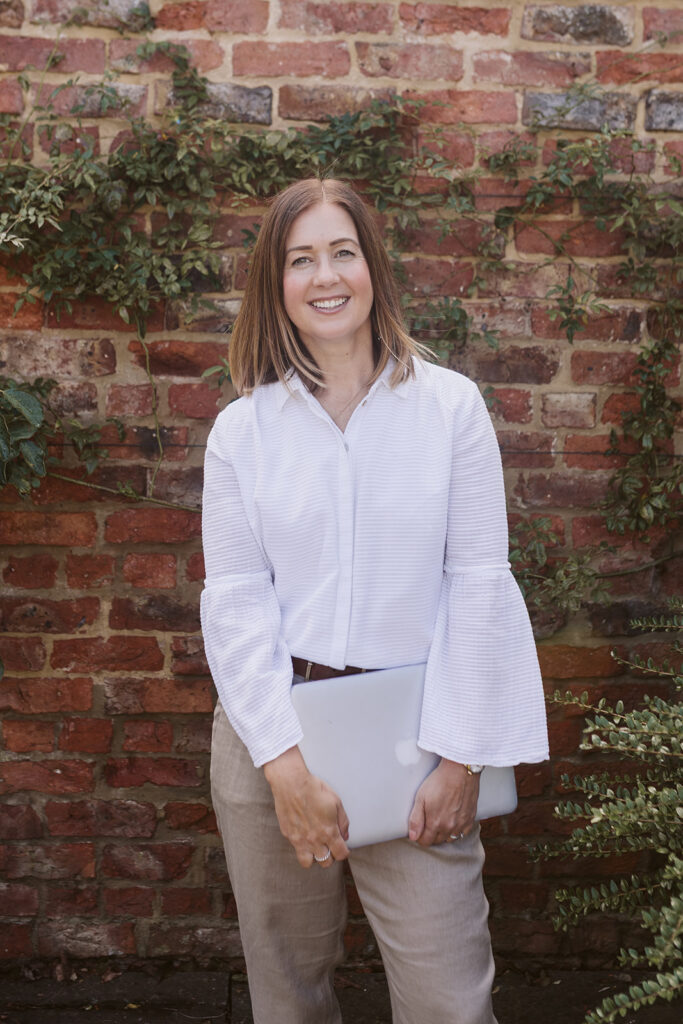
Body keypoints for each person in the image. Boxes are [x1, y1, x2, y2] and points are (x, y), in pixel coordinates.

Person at [200, 177, 548, 1024]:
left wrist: (460, 760)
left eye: (342, 252)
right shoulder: (243, 432)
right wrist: (283, 766)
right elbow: (236, 602)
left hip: (417, 739)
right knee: (287, 995)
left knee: (447, 1003)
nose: (325, 276)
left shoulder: (449, 409)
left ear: (373, 268)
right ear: (276, 283)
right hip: (271, 735)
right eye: (301, 259)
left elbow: (478, 586)